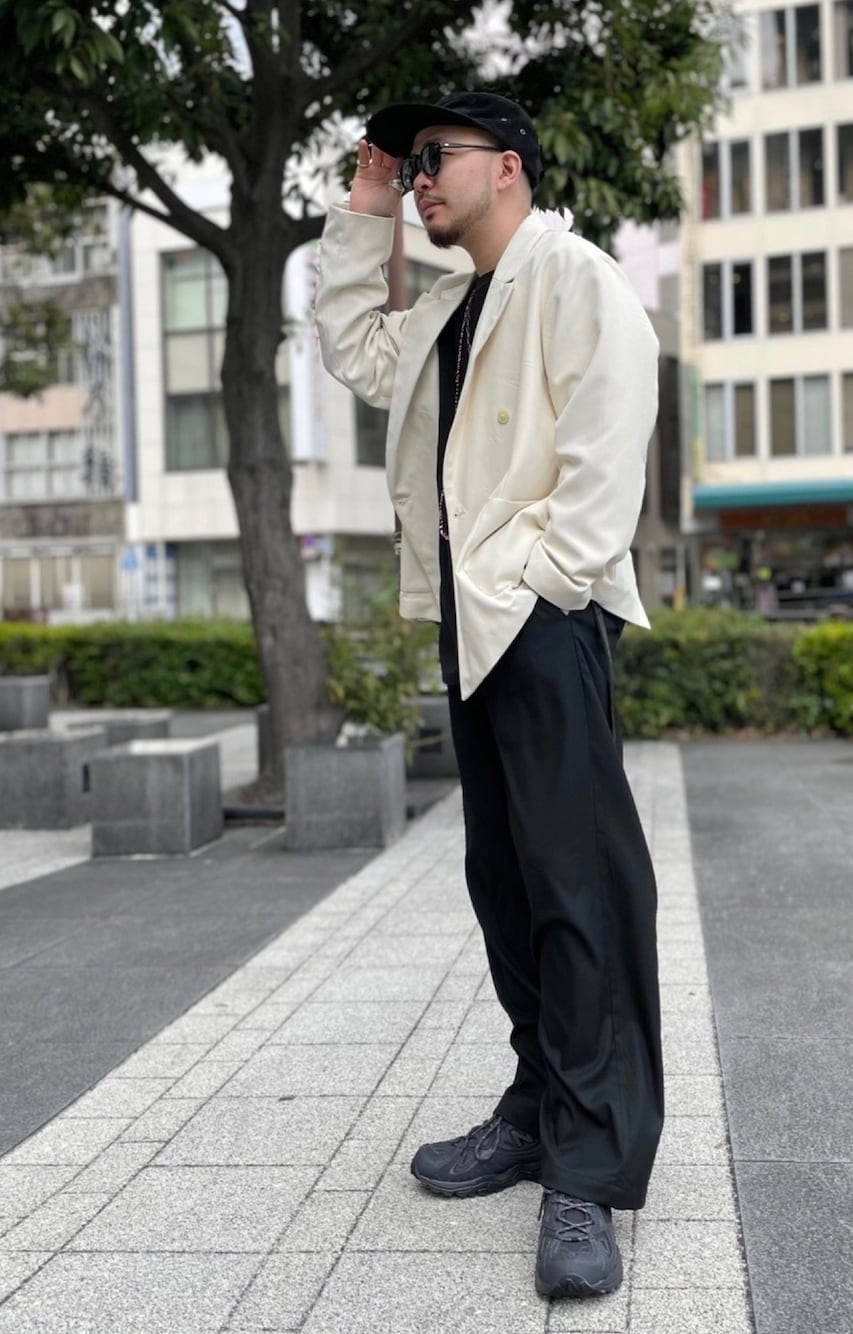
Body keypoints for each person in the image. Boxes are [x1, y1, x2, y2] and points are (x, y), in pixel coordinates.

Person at [315, 91, 663, 1301]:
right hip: (472, 622)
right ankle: (537, 1101)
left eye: (433, 158)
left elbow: (605, 457)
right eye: (407, 164)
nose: (418, 177)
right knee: (504, 879)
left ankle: (589, 1166)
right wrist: (364, 210)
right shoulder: (448, 305)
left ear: (506, 165)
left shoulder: (575, 279)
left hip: (542, 619)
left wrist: (541, 580)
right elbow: (355, 350)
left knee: (580, 890)